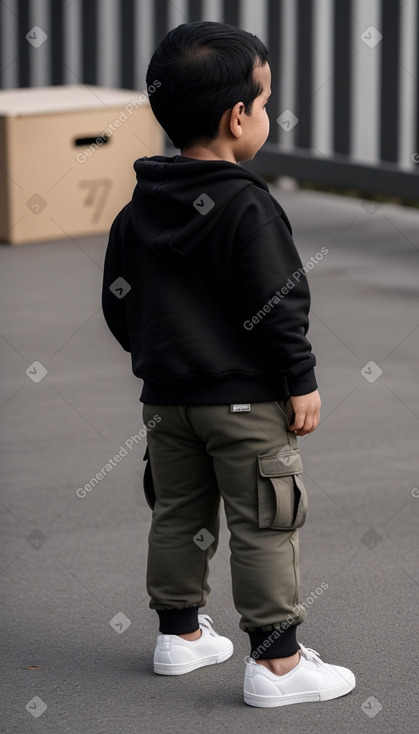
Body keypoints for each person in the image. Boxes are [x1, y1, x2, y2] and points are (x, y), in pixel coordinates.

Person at [101, 21, 355, 707]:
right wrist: (298, 379)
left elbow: (118, 303)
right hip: (244, 402)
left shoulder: (137, 208)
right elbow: (279, 302)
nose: (267, 115)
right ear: (236, 116)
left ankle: (178, 638)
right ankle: (277, 665)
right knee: (265, 521)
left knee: (178, 514)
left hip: (167, 398)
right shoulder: (248, 205)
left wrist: (161, 361)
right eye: (265, 101)